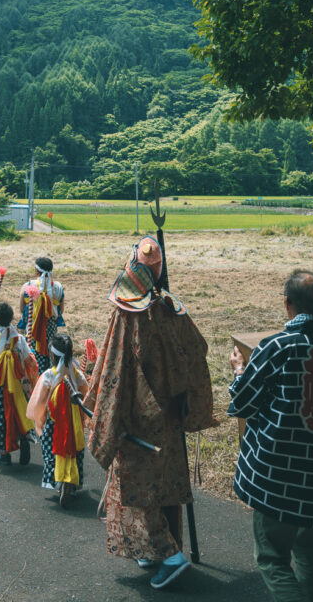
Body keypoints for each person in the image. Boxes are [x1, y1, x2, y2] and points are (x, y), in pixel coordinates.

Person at [85, 237, 215, 591]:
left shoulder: (130, 314)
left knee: (139, 490)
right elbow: (197, 351)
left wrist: (102, 412)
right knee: (166, 486)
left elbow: (116, 369)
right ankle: (153, 549)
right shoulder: (172, 307)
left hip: (139, 420)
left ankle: (170, 556)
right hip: (170, 416)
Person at [228, 269, 313, 602]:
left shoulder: (276, 348)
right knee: (310, 557)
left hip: (279, 488)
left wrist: (239, 371)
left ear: (287, 303)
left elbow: (242, 403)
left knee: (272, 558)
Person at [27, 332, 88, 505]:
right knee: (75, 453)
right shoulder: (77, 375)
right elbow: (86, 396)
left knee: (53, 452)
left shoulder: (49, 375)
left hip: (54, 423)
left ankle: (60, 484)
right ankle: (71, 484)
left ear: (52, 355)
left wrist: (40, 420)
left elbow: (38, 403)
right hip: (74, 423)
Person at [0, 301, 38, 465]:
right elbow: (29, 359)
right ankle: (24, 438)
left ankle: (3, 453)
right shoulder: (19, 339)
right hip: (18, 383)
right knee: (19, 411)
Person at [19, 257, 65, 373]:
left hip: (32, 327)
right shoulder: (58, 288)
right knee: (51, 351)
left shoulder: (28, 286)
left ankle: (34, 379)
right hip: (51, 327)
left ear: (36, 271)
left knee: (34, 352)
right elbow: (61, 310)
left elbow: (21, 309)